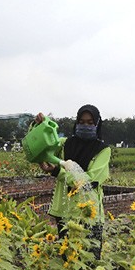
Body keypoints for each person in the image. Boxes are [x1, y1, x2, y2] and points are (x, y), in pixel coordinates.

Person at [34, 104, 111, 259]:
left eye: (90, 123)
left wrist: (58, 172)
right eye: (82, 122)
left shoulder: (102, 150)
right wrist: (40, 125)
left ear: (97, 124)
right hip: (64, 211)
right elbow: (45, 144)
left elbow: (88, 182)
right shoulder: (65, 144)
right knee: (69, 263)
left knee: (90, 262)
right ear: (76, 123)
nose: (85, 126)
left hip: (89, 214)